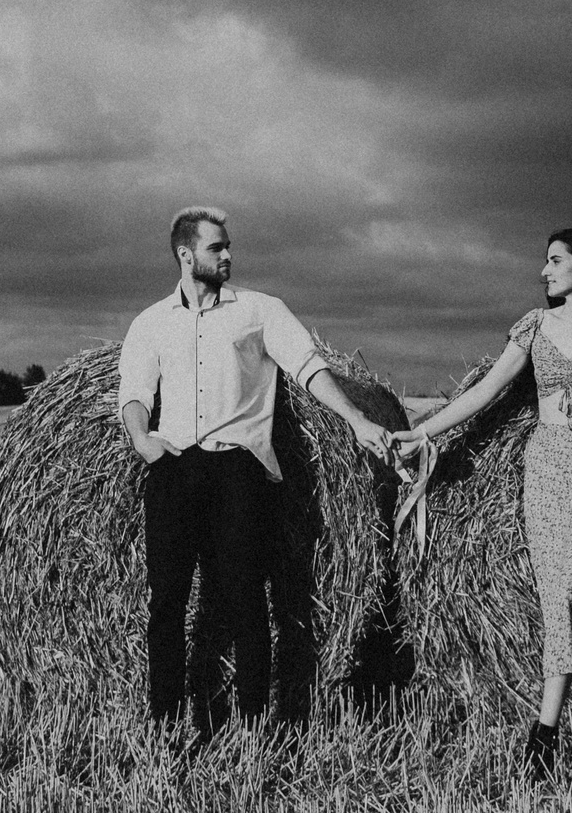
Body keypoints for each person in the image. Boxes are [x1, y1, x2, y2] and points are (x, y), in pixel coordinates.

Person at [390, 226, 572, 776]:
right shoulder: (535, 326)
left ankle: (542, 735)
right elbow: (484, 390)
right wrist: (424, 433)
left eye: (554, 260)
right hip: (543, 469)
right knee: (566, 598)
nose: (544, 272)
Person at [117, 205, 392, 731]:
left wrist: (356, 420)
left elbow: (309, 368)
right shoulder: (150, 322)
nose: (228, 255)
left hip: (238, 472)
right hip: (173, 470)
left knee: (247, 603)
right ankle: (169, 726)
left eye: (228, 246)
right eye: (216, 247)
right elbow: (133, 393)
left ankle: (253, 727)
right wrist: (142, 440)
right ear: (185, 253)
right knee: (166, 609)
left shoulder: (260, 310)